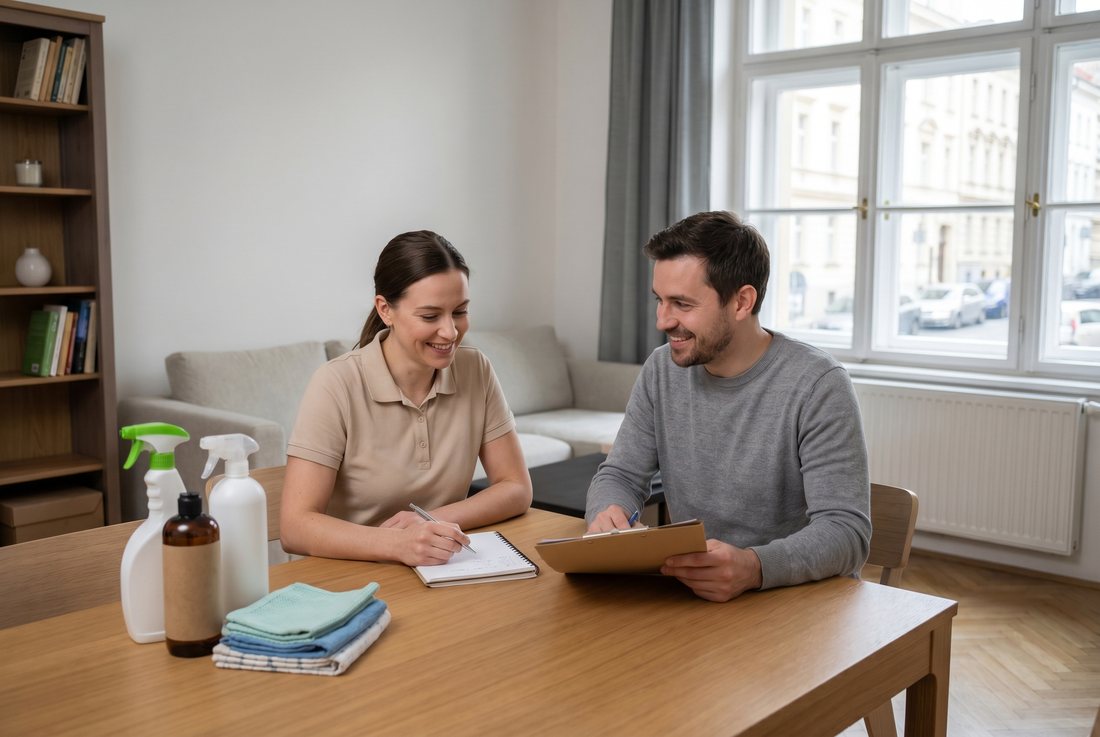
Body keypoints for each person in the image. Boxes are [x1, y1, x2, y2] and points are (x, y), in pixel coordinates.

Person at [586, 210, 870, 602]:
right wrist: (609, 512)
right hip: (698, 598)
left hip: (797, 603)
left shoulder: (818, 384)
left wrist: (754, 567)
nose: (662, 321)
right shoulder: (661, 369)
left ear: (741, 302)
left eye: (682, 304)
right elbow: (620, 474)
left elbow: (846, 531)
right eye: (660, 301)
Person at [281, 230, 532, 565]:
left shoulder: (476, 370)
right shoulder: (336, 383)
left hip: (439, 570)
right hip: (349, 577)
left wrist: (429, 520)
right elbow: (295, 527)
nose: (450, 331)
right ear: (386, 310)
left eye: (459, 311)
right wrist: (397, 544)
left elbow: (516, 487)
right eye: (430, 316)